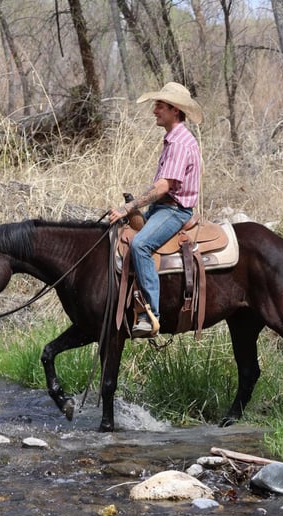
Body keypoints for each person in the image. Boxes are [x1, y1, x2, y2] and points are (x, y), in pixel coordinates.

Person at [108, 82, 203, 337]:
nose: (154, 111)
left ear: (175, 110)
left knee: (141, 245)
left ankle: (151, 315)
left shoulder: (180, 143)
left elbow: (163, 186)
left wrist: (129, 207)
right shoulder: (174, 139)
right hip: (163, 208)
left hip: (174, 211)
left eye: (160, 106)